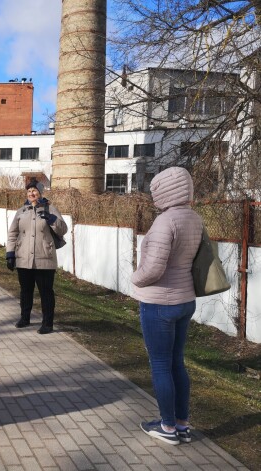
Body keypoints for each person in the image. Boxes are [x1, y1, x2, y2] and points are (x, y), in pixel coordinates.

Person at [131, 167, 203, 446]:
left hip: (159, 302)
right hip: (185, 300)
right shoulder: (193, 218)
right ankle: (182, 424)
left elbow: (153, 269)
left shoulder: (165, 221)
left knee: (160, 365)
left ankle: (167, 427)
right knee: (176, 364)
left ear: (163, 190)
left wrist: (134, 279)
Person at [5, 181, 67, 334]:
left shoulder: (51, 209)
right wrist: (10, 254)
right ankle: (25, 318)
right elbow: (13, 233)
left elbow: (63, 229)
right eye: (29, 191)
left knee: (46, 292)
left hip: (44, 258)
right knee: (25, 291)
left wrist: (52, 219)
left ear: (40, 192)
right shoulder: (21, 211)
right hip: (23, 258)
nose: (31, 194)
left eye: (34, 191)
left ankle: (47, 323)